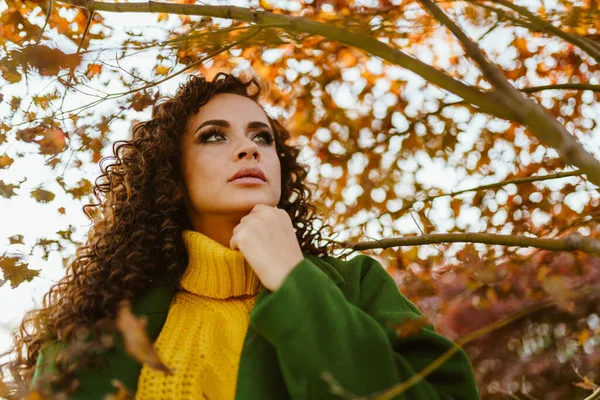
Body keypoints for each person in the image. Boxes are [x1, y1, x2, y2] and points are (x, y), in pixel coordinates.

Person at [2, 72, 480, 399]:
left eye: (262, 137)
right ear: (172, 172)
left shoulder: (354, 285)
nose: (249, 148)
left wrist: (293, 280)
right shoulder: (100, 320)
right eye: (214, 135)